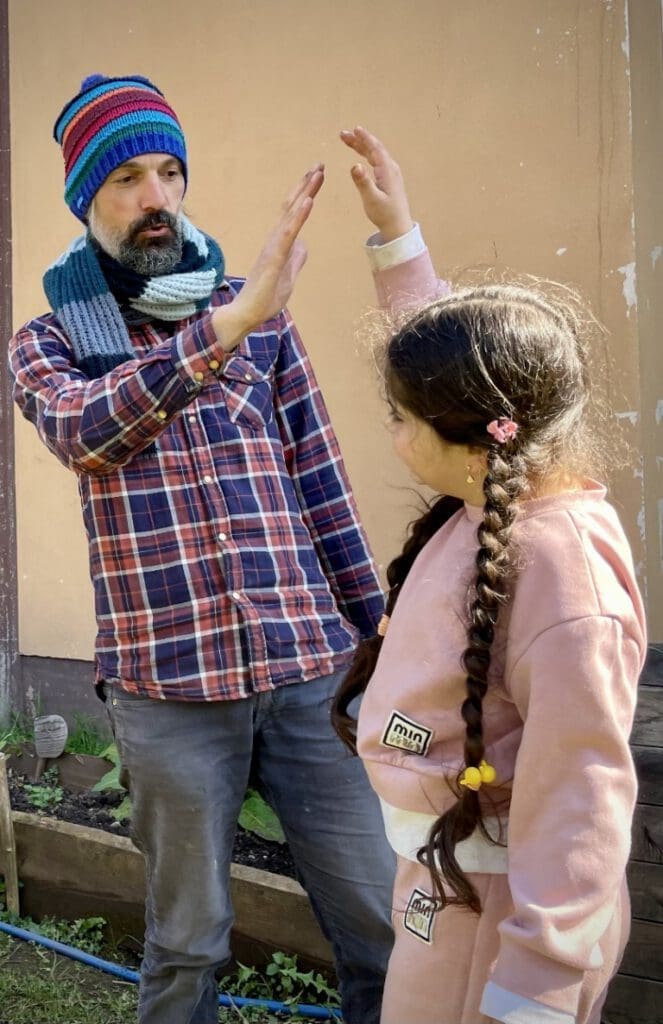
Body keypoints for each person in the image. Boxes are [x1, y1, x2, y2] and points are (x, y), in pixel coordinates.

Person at [9, 77, 395, 1024]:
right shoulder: (46, 344)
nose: (158, 197)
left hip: (308, 668)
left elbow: (320, 480)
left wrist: (376, 637)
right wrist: (229, 325)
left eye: (170, 172)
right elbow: (86, 433)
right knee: (187, 943)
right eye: (128, 178)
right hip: (168, 690)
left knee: (381, 924)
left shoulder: (256, 315)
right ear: (85, 197)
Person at [334, 126, 647, 1024]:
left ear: (470, 438)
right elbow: (453, 355)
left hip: (500, 922)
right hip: (449, 882)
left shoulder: (560, 576)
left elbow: (581, 795)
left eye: (401, 417)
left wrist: (536, 987)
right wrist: (396, 238)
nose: (391, 432)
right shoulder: (495, 487)